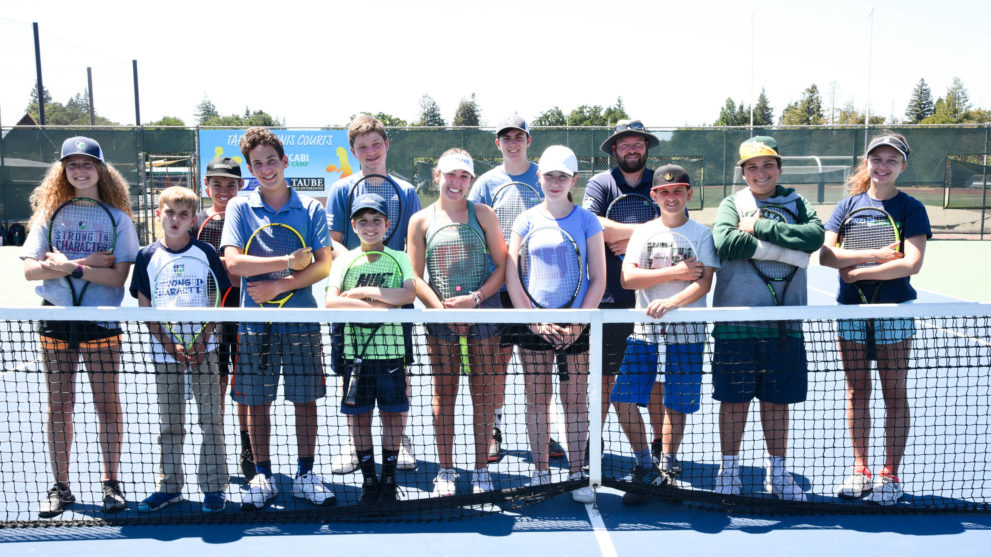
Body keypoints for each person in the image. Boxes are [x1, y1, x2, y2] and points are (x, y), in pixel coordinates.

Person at [21, 136, 139, 518]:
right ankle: (61, 486)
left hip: (101, 322)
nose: (80, 170)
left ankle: (111, 483)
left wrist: (66, 264)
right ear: (63, 170)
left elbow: (118, 278)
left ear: (100, 170)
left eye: (87, 164)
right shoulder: (47, 215)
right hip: (55, 318)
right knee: (59, 406)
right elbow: (28, 270)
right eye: (72, 164)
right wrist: (86, 263)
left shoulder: (118, 219)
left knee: (108, 405)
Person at [221, 127, 335, 509]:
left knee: (305, 401)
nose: (266, 169)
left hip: (301, 322)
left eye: (272, 161)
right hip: (255, 326)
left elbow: (322, 267)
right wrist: (285, 265)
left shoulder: (312, 209)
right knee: (256, 403)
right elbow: (234, 262)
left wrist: (280, 286)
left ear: (284, 162)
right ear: (251, 170)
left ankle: (305, 473)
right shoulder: (239, 206)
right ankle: (263, 475)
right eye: (258, 164)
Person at [819, 132, 930, 506]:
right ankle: (861, 469)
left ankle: (890, 474)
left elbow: (911, 263)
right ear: (867, 163)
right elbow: (827, 256)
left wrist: (860, 270)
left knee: (894, 393)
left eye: (891, 161)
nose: (883, 167)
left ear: (902, 166)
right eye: (877, 159)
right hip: (850, 310)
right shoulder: (847, 205)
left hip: (894, 311)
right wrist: (877, 255)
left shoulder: (912, 208)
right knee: (856, 392)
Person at [710, 136, 824, 502]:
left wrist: (759, 228)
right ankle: (730, 470)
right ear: (744, 173)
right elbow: (726, 243)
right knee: (734, 402)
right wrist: (793, 254)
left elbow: (815, 237)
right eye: (752, 167)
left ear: (779, 167)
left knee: (777, 403)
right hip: (736, 323)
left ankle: (778, 472)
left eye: (767, 164)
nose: (760, 172)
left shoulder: (798, 202)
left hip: (784, 324)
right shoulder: (733, 203)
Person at [610, 165, 718, 505]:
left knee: (675, 404)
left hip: (687, 335)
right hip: (644, 334)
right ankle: (646, 466)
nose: (671, 197)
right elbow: (629, 278)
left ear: (688, 194)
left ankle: (667, 468)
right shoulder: (643, 233)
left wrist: (670, 301)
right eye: (664, 192)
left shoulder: (702, 234)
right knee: (621, 399)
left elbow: (704, 282)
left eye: (678, 191)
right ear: (654, 196)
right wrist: (677, 272)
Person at [506, 145, 606, 504]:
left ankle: (577, 472)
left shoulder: (587, 221)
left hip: (576, 326)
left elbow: (598, 278)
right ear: (540, 177)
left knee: (575, 401)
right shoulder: (525, 220)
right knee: (537, 400)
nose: (555, 182)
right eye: (549, 175)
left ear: (573, 181)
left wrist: (579, 324)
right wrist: (534, 322)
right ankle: (541, 472)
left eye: (562, 176)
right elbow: (513, 275)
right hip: (535, 326)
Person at [408, 149, 508, 495]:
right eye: (451, 175)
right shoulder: (420, 221)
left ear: (470, 181)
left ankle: (481, 470)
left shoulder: (484, 215)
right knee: (444, 393)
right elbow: (416, 278)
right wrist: (442, 311)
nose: (457, 182)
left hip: (483, 317)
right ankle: (446, 470)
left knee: (482, 393)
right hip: (440, 322)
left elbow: (502, 267)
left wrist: (474, 301)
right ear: (438, 175)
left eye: (464, 176)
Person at [467, 114, 566, 462]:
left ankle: (545, 433)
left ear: (528, 140)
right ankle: (494, 431)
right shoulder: (485, 184)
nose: (512, 143)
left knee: (537, 367)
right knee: (497, 365)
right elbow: (475, 233)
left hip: (540, 290)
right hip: (497, 290)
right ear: (498, 143)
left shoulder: (544, 175)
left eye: (518, 136)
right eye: (505, 138)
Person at [325, 115, 421, 474]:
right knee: (352, 375)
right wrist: (355, 277)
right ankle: (355, 442)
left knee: (400, 374)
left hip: (394, 302)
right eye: (361, 147)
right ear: (353, 151)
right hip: (350, 302)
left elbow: (411, 248)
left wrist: (386, 294)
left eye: (375, 144)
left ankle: (401, 441)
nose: (369, 152)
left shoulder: (406, 191)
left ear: (386, 145)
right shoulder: (340, 190)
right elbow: (333, 243)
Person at [130, 186, 231, 513]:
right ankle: (169, 486)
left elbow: (218, 300)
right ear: (159, 214)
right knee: (169, 423)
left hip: (206, 351)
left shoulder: (206, 253)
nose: (175, 219)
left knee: (210, 420)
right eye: (169, 212)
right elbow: (145, 307)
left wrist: (203, 339)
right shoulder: (146, 256)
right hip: (165, 355)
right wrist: (170, 344)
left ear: (193, 219)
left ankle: (214, 487)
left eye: (183, 214)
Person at [325, 193, 416, 504]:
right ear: (353, 225)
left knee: (392, 418)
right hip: (356, 357)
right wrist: (381, 304)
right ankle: (369, 481)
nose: (370, 226)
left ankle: (389, 480)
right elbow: (332, 301)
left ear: (387, 224)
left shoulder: (400, 257)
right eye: (363, 221)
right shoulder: (345, 260)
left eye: (377, 220)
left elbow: (406, 295)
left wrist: (364, 293)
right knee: (360, 419)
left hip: (391, 354)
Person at [581, 119, 663, 463]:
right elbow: (591, 224)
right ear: (614, 150)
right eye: (624, 143)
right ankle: (592, 443)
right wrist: (644, 232)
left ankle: (661, 447)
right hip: (609, 300)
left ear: (645, 147)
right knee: (604, 377)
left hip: (656, 299)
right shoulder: (600, 183)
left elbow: (672, 226)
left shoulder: (662, 181)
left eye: (637, 142)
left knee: (658, 381)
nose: (632, 148)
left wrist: (628, 238)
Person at [195, 157, 255, 481]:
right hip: (210, 323)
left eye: (230, 184)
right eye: (216, 184)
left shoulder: (248, 220)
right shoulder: (196, 224)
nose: (223, 190)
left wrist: (228, 270)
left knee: (243, 389)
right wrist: (229, 270)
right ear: (206, 186)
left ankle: (248, 451)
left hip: (243, 318)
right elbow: (199, 275)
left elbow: (244, 274)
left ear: (241, 186)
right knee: (215, 390)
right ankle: (217, 452)